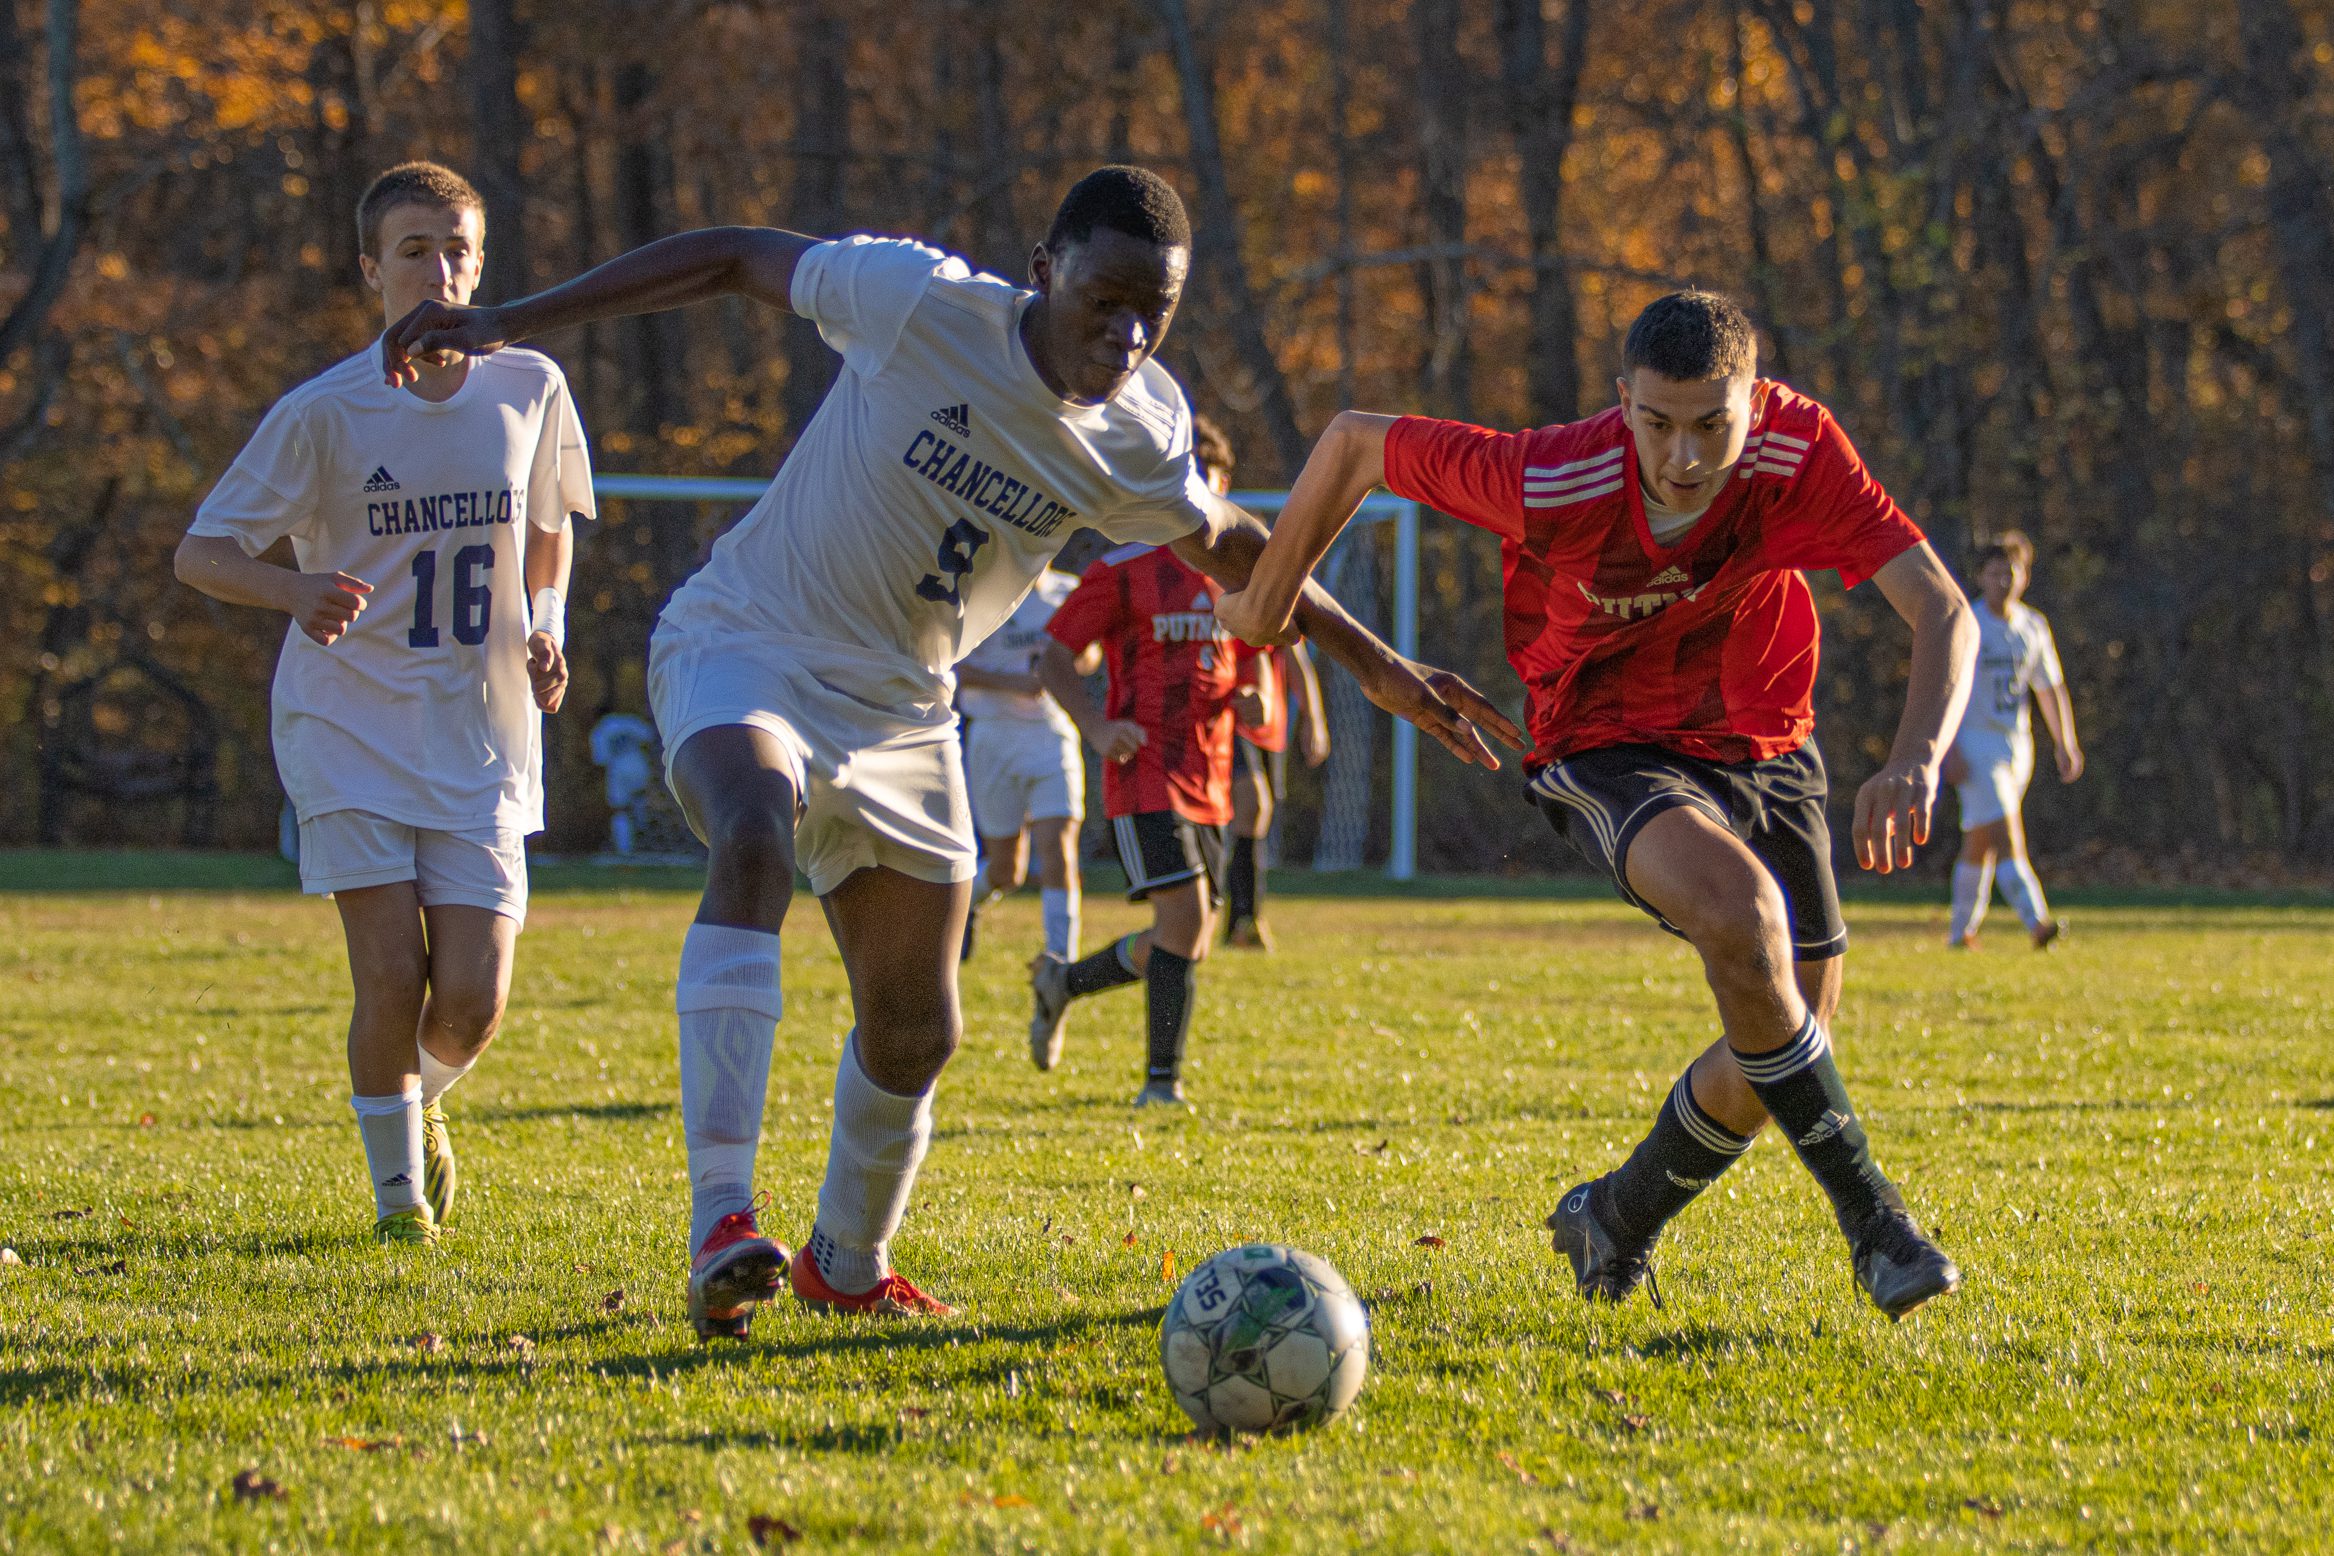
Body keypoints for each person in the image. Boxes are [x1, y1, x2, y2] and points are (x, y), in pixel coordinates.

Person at [382, 165, 1518, 1336]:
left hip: (906, 709)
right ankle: (723, 1218)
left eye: (1153, 315)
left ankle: (845, 1262)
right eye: (1105, 300)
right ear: (1043, 270)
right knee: (757, 833)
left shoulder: (1139, 430)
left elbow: (1233, 544)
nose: (1126, 335)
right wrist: (506, 320)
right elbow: (732, 251)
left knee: (920, 1027)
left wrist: (1378, 662)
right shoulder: (920, 300)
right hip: (749, 643)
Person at [1219, 290, 1978, 1319]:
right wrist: (1265, 604)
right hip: (1609, 741)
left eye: (1712, 424)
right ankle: (1878, 1225)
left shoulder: (1801, 452)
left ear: (1756, 402)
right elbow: (1356, 442)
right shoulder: (1555, 473)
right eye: (1657, 423)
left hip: (1769, 739)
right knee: (1742, 916)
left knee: (1782, 1044)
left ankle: (1613, 1216)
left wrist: (1919, 756)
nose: (1682, 455)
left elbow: (1942, 608)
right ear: (1623, 402)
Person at [176, 161, 591, 1246]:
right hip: (346, 720)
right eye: (415, 250)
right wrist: (293, 587)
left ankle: (422, 1102)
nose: (440, 270)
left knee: (472, 999)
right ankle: (398, 1203)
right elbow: (201, 552)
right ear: (372, 269)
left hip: (483, 725)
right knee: (389, 969)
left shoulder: (531, 385)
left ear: (481, 263)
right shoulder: (324, 412)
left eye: (458, 249)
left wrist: (548, 620)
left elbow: (550, 524)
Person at [1027, 527, 1264, 1100]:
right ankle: (1161, 1085)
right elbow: (1055, 660)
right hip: (1144, 775)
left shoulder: (1235, 574)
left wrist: (1256, 701)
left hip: (1210, 778)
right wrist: (1098, 729)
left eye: (1212, 471)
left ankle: (1064, 982)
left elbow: (1259, 657)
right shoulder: (1123, 568)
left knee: (1189, 939)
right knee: (1183, 924)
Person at [1187, 415, 1329, 950]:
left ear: (1226, 479)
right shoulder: (1176, 556)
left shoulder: (1246, 553)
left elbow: (1291, 646)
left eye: (1212, 470)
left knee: (1256, 813)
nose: (1204, 479)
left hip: (1262, 714)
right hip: (1216, 707)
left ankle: (1240, 919)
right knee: (1252, 804)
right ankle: (1226, 914)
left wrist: (1312, 714)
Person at [954, 564, 1097, 967]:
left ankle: (1060, 964)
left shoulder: (1067, 590)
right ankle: (966, 906)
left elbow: (1090, 655)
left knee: (1059, 844)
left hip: (1052, 731)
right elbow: (953, 668)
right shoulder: (979, 589)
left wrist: (1076, 655)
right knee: (1006, 871)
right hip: (995, 734)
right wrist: (1014, 683)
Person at [1944, 531, 2080, 949]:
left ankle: (1960, 932)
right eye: (1995, 572)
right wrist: (1946, 748)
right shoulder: (1970, 622)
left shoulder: (2032, 626)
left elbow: (2049, 688)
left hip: (2017, 746)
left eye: (2012, 571)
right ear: (1981, 576)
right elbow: (1945, 687)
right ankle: (2038, 922)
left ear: (2025, 576)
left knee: (1981, 843)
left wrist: (2065, 742)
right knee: (2007, 836)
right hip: (1975, 743)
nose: (2004, 580)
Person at [590, 710, 658, 857]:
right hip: (639, 765)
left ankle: (624, 849)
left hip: (618, 770)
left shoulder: (601, 730)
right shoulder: (629, 720)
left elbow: (601, 759)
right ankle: (646, 844)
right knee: (640, 805)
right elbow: (649, 738)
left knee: (620, 810)